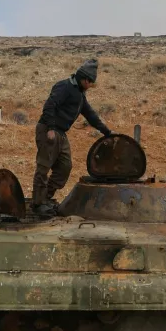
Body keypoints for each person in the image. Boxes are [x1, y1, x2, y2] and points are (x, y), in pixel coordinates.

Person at [32, 59, 112, 215]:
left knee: (65, 167)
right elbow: (50, 105)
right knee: (43, 167)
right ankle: (38, 203)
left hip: (61, 133)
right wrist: (51, 128)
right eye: (90, 83)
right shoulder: (65, 86)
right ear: (84, 79)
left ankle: (45, 198)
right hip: (49, 130)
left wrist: (107, 132)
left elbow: (90, 115)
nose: (90, 86)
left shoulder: (80, 95)